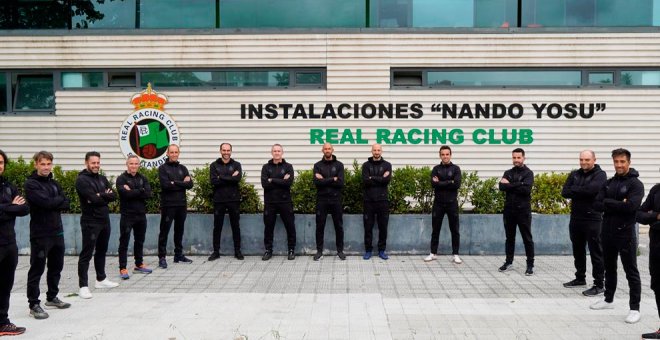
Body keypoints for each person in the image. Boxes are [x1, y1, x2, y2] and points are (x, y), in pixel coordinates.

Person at [590, 148, 643, 324]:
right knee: (609, 268)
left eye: (622, 162)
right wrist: (618, 203)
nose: (619, 165)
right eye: (616, 162)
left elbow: (631, 207)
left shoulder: (636, 184)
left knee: (631, 271)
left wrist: (608, 203)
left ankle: (634, 308)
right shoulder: (609, 182)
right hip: (607, 232)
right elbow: (597, 204)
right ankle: (608, 299)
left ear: (629, 162)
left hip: (626, 233)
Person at [24, 151, 71, 319]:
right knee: (37, 268)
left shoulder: (55, 183)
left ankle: (51, 297)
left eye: (48, 164)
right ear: (36, 164)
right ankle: (34, 304)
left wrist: (53, 202)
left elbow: (66, 203)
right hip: (40, 234)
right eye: (42, 164)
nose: (45, 167)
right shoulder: (31, 184)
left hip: (57, 232)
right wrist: (55, 201)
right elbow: (44, 203)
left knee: (56, 267)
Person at [560, 150, 606, 296]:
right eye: (581, 159)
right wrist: (582, 190)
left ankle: (599, 284)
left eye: (587, 159)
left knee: (595, 252)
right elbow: (564, 192)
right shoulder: (575, 173)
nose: (583, 162)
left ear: (594, 160)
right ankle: (580, 278)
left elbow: (593, 190)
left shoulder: (600, 174)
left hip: (593, 219)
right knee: (578, 250)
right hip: (576, 218)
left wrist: (576, 189)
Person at [75, 151, 118, 299]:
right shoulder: (81, 180)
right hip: (90, 221)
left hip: (104, 220)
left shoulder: (102, 178)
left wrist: (101, 196)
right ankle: (83, 286)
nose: (96, 165)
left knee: (101, 250)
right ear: (86, 163)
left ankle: (101, 279)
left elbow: (113, 195)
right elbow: (92, 199)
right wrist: (101, 196)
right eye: (93, 163)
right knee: (86, 253)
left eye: (98, 162)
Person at [0, 149, 28, 336]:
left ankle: (3, 322)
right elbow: (14, 208)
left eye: (1, 162)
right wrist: (11, 207)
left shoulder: (8, 186)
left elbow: (24, 208)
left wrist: (6, 209)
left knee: (5, 285)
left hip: (9, 243)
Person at [498, 148, 535, 275]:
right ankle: (509, 262)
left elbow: (526, 190)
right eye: (514, 157)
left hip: (523, 211)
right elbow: (501, 187)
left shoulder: (528, 173)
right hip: (509, 210)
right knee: (509, 238)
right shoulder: (508, 172)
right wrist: (519, 184)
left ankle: (530, 265)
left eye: (518, 158)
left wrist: (511, 184)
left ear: (523, 158)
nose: (516, 160)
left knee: (527, 238)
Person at [116, 155, 153, 280]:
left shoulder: (143, 178)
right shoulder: (121, 179)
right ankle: (123, 268)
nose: (133, 166)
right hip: (127, 216)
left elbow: (148, 194)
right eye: (131, 163)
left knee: (139, 240)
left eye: (136, 164)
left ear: (139, 165)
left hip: (141, 215)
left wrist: (133, 191)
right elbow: (124, 194)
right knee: (124, 242)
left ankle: (138, 264)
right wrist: (140, 191)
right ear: (127, 164)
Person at [424, 145, 462, 264]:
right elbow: (433, 184)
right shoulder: (436, 169)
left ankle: (455, 254)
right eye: (443, 154)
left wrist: (441, 182)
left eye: (447, 154)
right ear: (440, 155)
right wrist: (449, 182)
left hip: (452, 203)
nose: (445, 156)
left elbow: (457, 184)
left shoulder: (456, 169)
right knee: (436, 229)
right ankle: (432, 253)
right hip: (438, 203)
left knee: (454, 229)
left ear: (450, 155)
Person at [157, 144, 194, 268]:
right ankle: (162, 257)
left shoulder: (183, 168)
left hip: (181, 205)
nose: (173, 154)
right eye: (171, 152)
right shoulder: (162, 168)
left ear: (178, 153)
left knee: (179, 231)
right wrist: (182, 182)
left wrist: (175, 182)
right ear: (167, 154)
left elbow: (190, 185)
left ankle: (178, 255)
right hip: (168, 205)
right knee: (164, 231)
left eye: (175, 152)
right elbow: (165, 185)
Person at [208, 143, 243, 261]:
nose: (226, 152)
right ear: (220, 151)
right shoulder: (214, 165)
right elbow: (214, 181)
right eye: (224, 150)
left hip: (234, 199)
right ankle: (216, 252)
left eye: (228, 150)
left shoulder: (237, 165)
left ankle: (237, 251)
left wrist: (221, 177)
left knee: (235, 226)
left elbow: (237, 179)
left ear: (231, 151)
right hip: (219, 200)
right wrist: (230, 177)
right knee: (217, 226)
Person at [260, 144, 296, 261]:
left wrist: (272, 180)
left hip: (285, 201)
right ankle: (268, 250)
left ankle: (291, 250)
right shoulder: (266, 167)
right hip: (270, 202)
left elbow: (288, 183)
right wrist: (281, 180)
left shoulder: (288, 166)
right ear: (272, 153)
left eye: (278, 151)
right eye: (274, 151)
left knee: (290, 226)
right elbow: (265, 184)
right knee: (268, 228)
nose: (276, 153)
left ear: (282, 152)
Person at [313, 143, 345, 261]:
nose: (327, 150)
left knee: (339, 226)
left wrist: (324, 179)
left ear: (332, 150)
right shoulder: (317, 165)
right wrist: (333, 179)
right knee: (320, 226)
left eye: (329, 148)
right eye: (325, 148)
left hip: (336, 199)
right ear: (322, 150)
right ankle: (319, 251)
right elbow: (317, 183)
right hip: (322, 200)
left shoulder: (339, 165)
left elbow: (340, 183)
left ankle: (340, 251)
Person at [637, 181, 660, 338]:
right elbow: (639, 214)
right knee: (658, 287)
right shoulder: (656, 190)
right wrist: (656, 216)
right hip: (657, 249)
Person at [362, 143, 392, 260]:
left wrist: (372, 177)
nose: (376, 152)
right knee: (368, 227)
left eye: (378, 150)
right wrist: (380, 177)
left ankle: (381, 250)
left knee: (383, 227)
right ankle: (368, 250)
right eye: (375, 150)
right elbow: (365, 181)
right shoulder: (366, 165)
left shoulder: (387, 165)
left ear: (381, 151)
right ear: (371, 151)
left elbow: (386, 181)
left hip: (382, 201)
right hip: (368, 201)